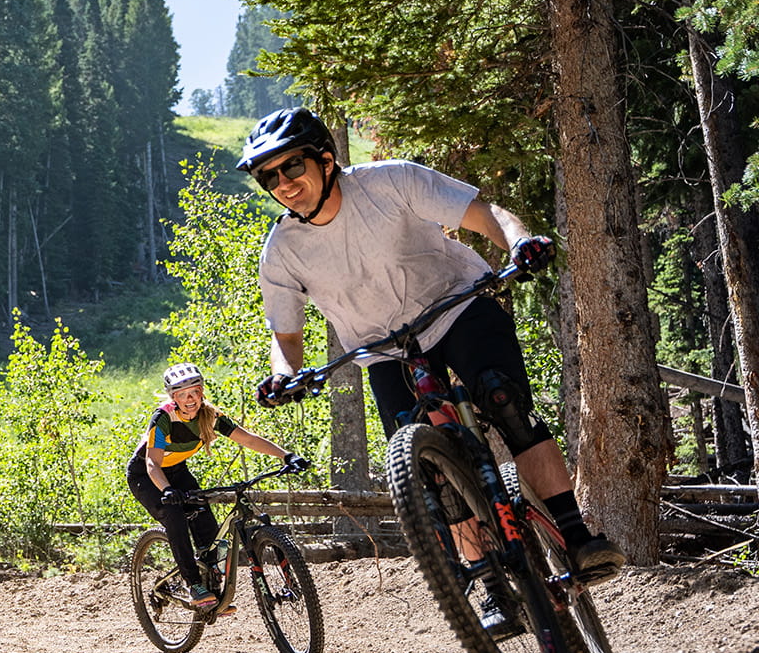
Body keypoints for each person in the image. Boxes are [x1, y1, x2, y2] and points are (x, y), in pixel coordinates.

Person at [240, 107, 625, 623]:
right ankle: (489, 583)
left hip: (458, 306)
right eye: (270, 176)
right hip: (383, 349)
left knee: (504, 402)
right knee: (430, 470)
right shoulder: (282, 251)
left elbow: (483, 212)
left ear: (326, 160)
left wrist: (518, 242)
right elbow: (285, 338)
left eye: (292, 167)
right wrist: (285, 375)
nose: (283, 183)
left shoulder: (390, 181)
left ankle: (576, 536)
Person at [128, 361, 307, 611]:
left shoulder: (210, 415)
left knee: (207, 527)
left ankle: (212, 592)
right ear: (173, 397)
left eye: (195, 392)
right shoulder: (164, 418)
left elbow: (248, 439)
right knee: (175, 517)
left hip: (177, 472)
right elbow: (151, 463)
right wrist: (167, 490)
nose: (190, 399)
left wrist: (286, 456)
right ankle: (193, 585)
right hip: (147, 476)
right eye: (183, 394)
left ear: (202, 391)